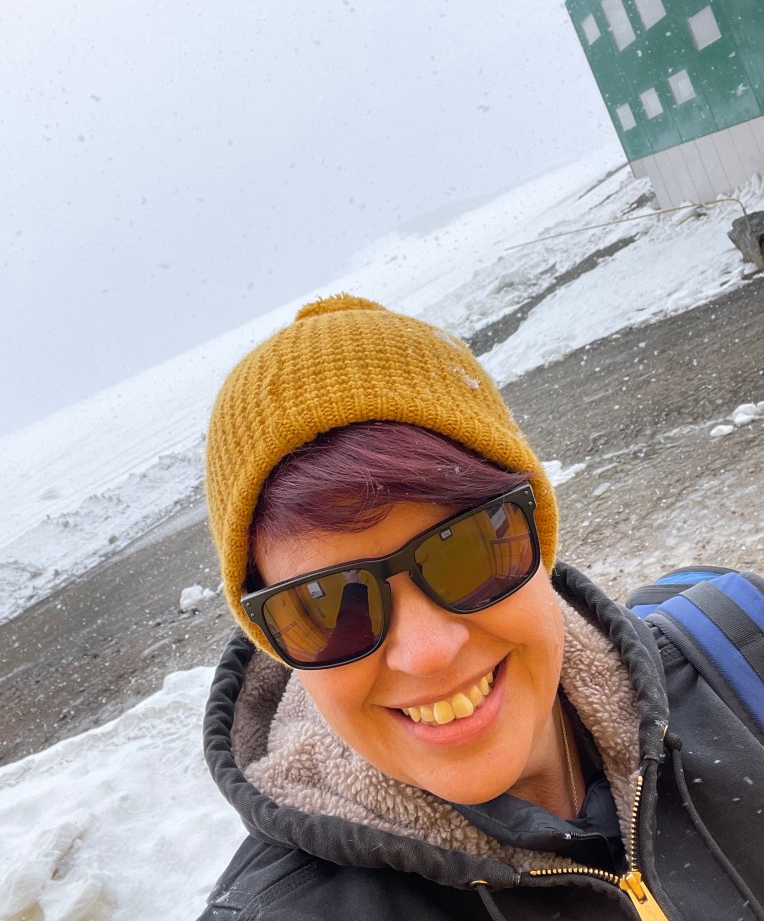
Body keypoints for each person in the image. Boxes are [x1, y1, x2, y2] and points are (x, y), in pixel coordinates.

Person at [197, 294, 763, 921]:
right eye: (330, 607)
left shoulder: (744, 658)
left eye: (464, 552)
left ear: (536, 537)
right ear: (275, 641)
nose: (428, 652)